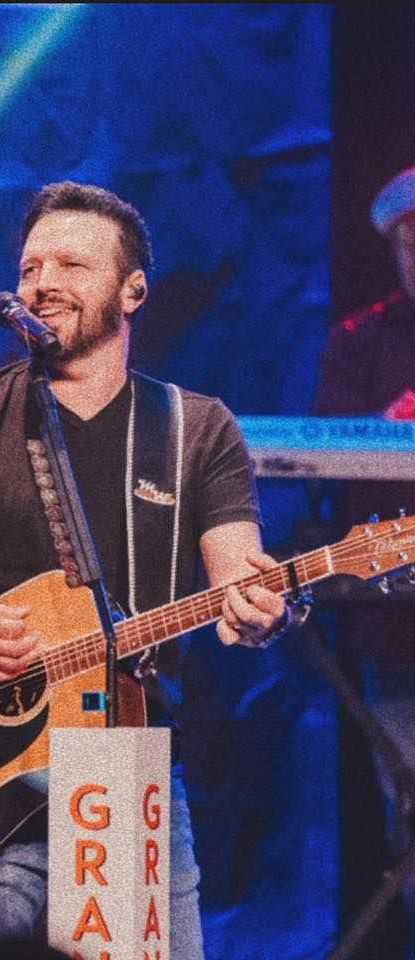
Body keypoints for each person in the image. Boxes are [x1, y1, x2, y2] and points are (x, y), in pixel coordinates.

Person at [0, 181, 288, 959]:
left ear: (132, 289)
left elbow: (238, 569)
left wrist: (256, 605)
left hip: (118, 766)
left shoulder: (195, 430)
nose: (44, 282)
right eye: (32, 265)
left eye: (72, 263)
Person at [315, 165, 415, 956]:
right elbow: (329, 461)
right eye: (411, 240)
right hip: (399, 626)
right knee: (408, 809)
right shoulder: (359, 343)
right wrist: (391, 425)